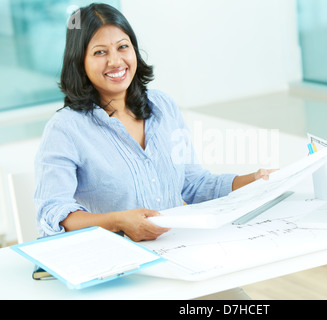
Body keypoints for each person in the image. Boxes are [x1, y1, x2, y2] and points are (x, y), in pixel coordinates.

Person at [34, 3, 274, 244]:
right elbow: (53, 214)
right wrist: (117, 222)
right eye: (100, 52)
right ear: (79, 61)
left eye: (122, 47)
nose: (116, 61)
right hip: (115, 260)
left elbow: (194, 185)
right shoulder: (65, 129)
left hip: (179, 248)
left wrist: (254, 180)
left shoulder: (163, 106)